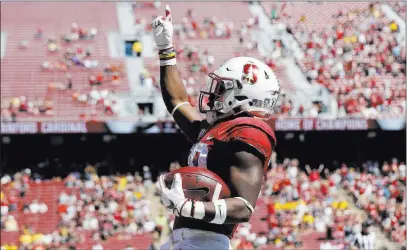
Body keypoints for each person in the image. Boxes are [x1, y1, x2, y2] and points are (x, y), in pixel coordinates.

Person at [152, 5, 280, 250]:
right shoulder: (218, 130)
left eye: (223, 88)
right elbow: (177, 103)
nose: (214, 95)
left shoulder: (249, 131)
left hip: (205, 242)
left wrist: (191, 207)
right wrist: (166, 51)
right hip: (185, 239)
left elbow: (243, 207)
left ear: (244, 95)